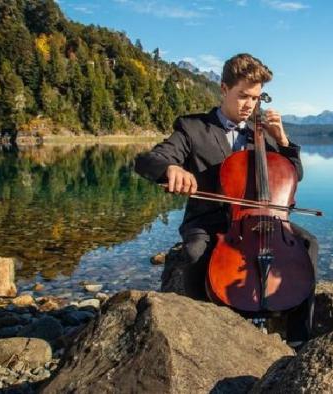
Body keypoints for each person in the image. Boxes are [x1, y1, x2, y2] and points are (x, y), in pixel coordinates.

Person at [134, 53, 317, 347]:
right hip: (208, 219)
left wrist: (283, 141)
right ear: (223, 89)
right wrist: (171, 168)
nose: (250, 106)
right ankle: (201, 331)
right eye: (243, 96)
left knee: (308, 244)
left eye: (256, 98)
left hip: (262, 221)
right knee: (195, 252)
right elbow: (148, 159)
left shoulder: (263, 135)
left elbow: (293, 174)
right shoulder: (192, 128)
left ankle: (298, 336)